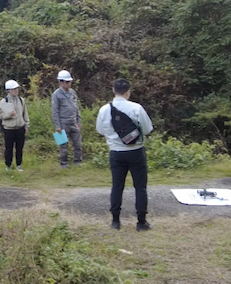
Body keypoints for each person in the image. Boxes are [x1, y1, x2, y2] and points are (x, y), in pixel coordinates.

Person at [96, 78, 155, 232]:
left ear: (113, 91)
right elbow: (148, 129)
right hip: (136, 152)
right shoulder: (137, 108)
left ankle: (115, 221)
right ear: (128, 92)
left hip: (115, 152)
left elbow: (100, 130)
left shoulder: (104, 110)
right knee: (140, 187)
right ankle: (141, 223)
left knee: (117, 186)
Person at [52, 70, 83, 167]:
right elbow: (55, 111)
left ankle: (78, 162)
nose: (69, 84)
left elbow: (76, 107)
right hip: (63, 123)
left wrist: (79, 120)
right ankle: (64, 164)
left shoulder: (73, 92)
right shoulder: (56, 94)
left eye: (69, 82)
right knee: (63, 145)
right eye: (67, 82)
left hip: (73, 121)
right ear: (61, 82)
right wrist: (57, 126)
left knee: (78, 144)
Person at [0, 80, 29, 172]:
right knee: (9, 148)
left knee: (19, 148)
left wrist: (27, 126)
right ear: (9, 90)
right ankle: (8, 165)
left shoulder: (21, 100)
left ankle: (19, 164)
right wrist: (9, 115)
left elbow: (25, 114)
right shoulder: (3, 101)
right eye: (14, 89)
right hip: (8, 129)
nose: (16, 90)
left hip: (20, 128)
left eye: (17, 88)